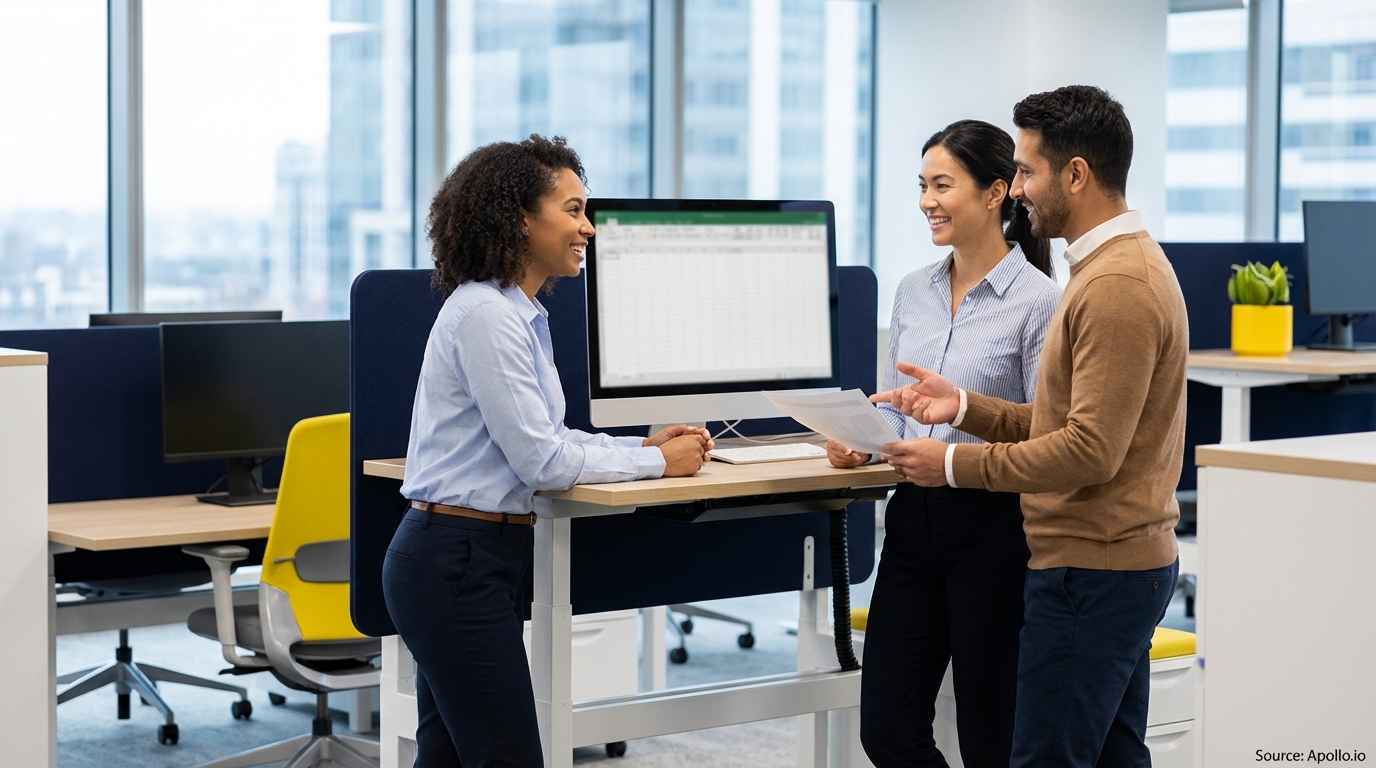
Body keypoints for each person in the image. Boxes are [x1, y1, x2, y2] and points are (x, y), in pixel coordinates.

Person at [873, 86, 1187, 767]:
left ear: (1074, 174)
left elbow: (1088, 450)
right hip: (1101, 560)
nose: (1020, 190)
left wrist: (954, 464)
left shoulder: (1116, 286)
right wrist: (962, 408)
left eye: (1027, 171)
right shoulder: (1106, 272)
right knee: (1111, 757)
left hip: (1092, 564)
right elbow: (1064, 420)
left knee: (1041, 757)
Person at [381, 135, 713, 767]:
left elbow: (549, 439)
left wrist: (641, 445)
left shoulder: (518, 312)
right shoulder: (487, 316)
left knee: (451, 758)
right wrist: (654, 463)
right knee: (508, 757)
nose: (587, 226)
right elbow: (543, 462)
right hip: (455, 559)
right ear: (520, 218)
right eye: (573, 209)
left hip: (476, 556)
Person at [828, 119, 1059, 768]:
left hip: (994, 527)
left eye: (942, 184)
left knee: (992, 738)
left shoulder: (1040, 302)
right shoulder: (911, 292)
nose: (927, 200)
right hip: (909, 525)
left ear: (994, 194)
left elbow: (1044, 427)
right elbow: (898, 415)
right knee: (889, 730)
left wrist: (955, 458)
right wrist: (861, 447)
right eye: (922, 185)